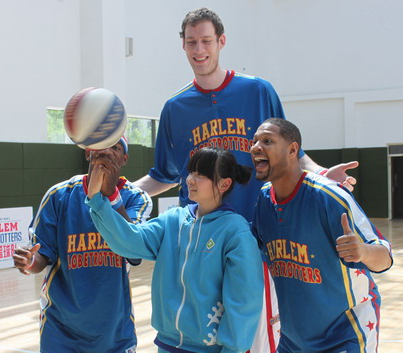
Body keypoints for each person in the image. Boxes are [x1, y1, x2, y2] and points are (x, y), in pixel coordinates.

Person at [132, 7, 358, 352]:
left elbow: (291, 153)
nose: (199, 49)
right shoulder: (175, 108)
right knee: (200, 336)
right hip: (200, 244)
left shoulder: (258, 91)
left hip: (255, 238)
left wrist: (322, 175)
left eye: (206, 40)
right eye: (191, 42)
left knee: (254, 336)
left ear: (221, 41)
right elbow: (163, 176)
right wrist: (120, 193)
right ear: (183, 45)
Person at [86, 147, 264, 353]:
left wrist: (233, 350)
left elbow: (243, 301)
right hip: (167, 345)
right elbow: (130, 242)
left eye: (201, 175)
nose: (191, 180)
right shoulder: (173, 219)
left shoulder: (235, 232)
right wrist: (97, 201)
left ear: (224, 184)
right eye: (191, 172)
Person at [250, 118, 393, 353]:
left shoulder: (329, 197)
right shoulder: (264, 199)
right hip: (293, 337)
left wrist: (363, 251)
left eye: (267, 141)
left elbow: (384, 258)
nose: (256, 147)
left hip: (344, 333)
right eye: (254, 141)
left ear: (293, 150)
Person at [12, 137, 152, 353]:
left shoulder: (136, 198)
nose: (106, 150)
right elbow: (41, 256)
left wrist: (112, 195)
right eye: (100, 145)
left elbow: (135, 254)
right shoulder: (58, 195)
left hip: (114, 330)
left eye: (114, 147)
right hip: (61, 329)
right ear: (88, 152)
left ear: (124, 159)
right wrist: (29, 262)